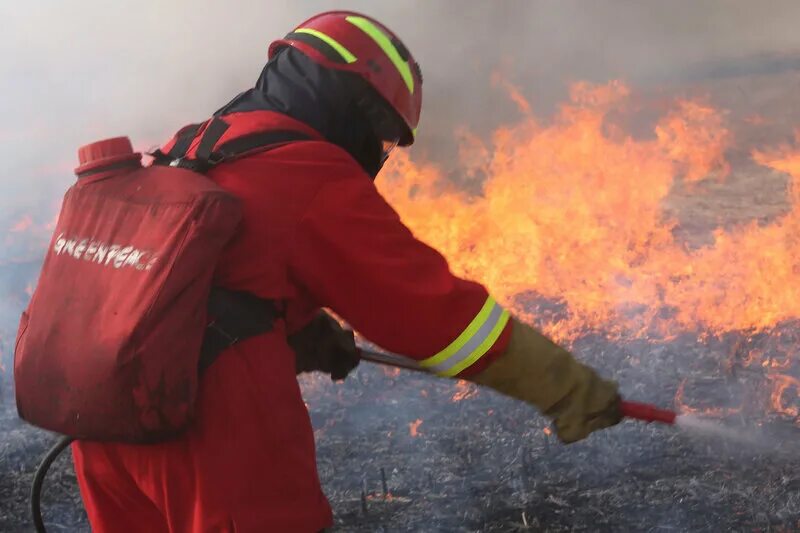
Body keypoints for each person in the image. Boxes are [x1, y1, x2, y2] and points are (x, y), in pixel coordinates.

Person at [70, 11, 621, 532]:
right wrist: (566, 387)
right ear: (352, 105)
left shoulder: (192, 145)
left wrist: (297, 329)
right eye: (381, 135)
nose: (376, 153)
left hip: (104, 432)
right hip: (214, 440)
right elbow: (437, 316)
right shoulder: (309, 170)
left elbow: (208, 277)